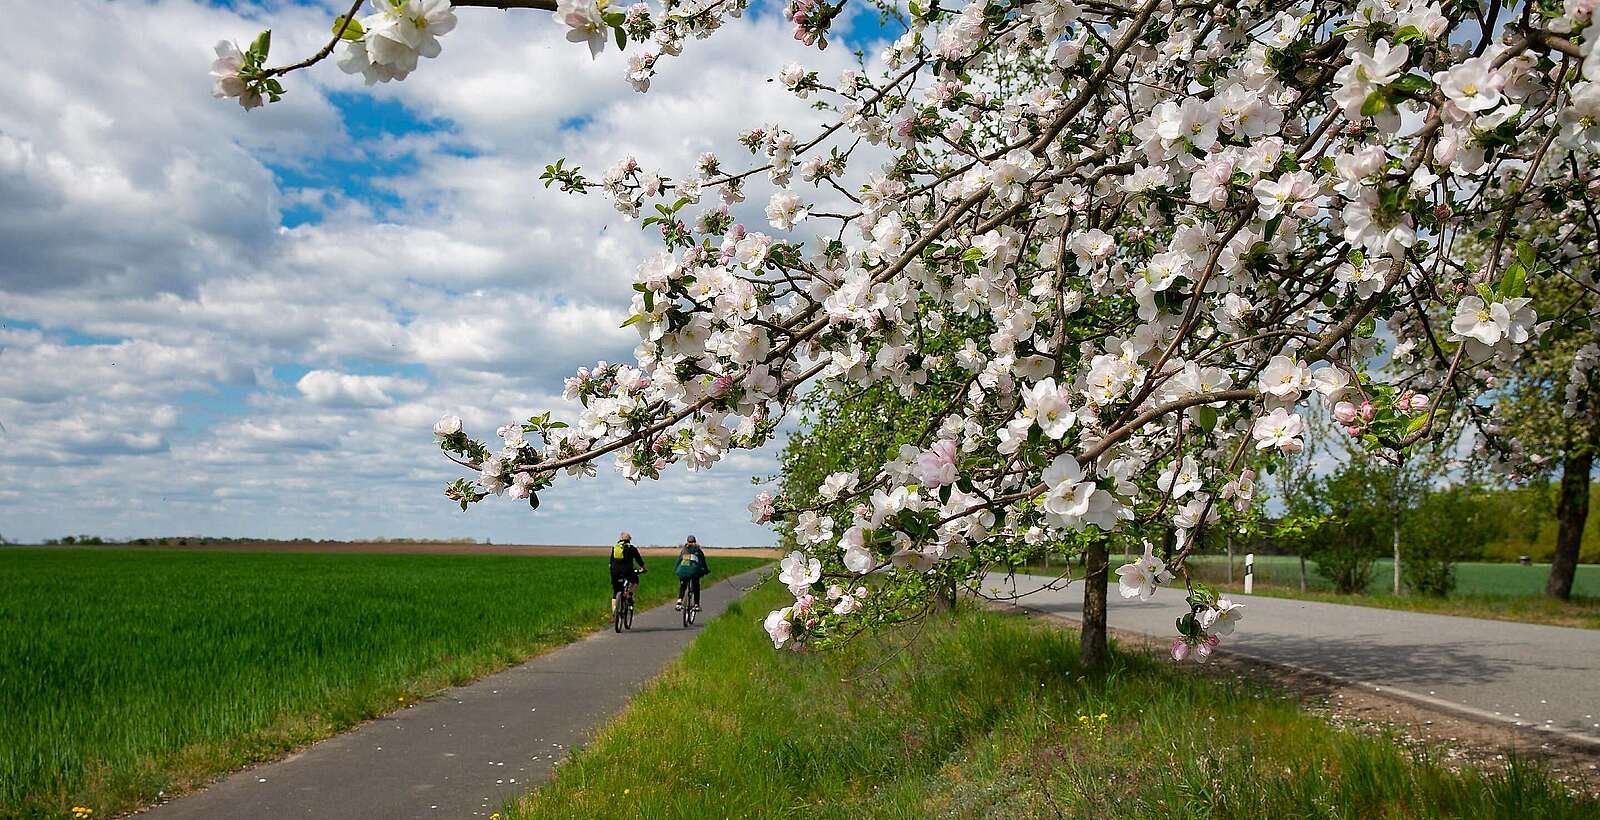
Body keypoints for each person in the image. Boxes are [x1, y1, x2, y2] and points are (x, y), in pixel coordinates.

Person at [609, 531, 646, 613]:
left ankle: (614, 611)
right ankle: (629, 595)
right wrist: (643, 568)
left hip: (614, 571)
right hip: (627, 571)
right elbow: (639, 560)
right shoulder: (631, 548)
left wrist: (612, 571)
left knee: (615, 592)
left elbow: (610, 563)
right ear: (629, 539)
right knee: (635, 581)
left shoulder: (615, 548)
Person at [674, 535, 709, 612]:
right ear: (695, 541)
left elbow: (678, 561)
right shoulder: (698, 550)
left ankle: (679, 601)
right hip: (694, 571)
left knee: (683, 585)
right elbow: (703, 562)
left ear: (687, 542)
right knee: (696, 586)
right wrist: (706, 570)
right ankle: (696, 605)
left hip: (682, 571)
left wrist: (677, 570)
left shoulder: (684, 550)